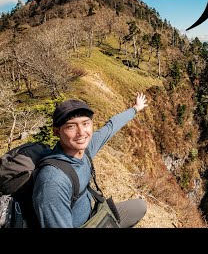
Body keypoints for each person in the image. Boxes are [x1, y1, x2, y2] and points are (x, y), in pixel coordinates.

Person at [32, 92, 148, 228]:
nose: (81, 132)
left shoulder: (85, 149)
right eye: (71, 126)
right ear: (56, 131)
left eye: (85, 123)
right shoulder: (53, 182)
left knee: (139, 206)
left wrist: (135, 109)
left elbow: (110, 127)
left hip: (93, 216)